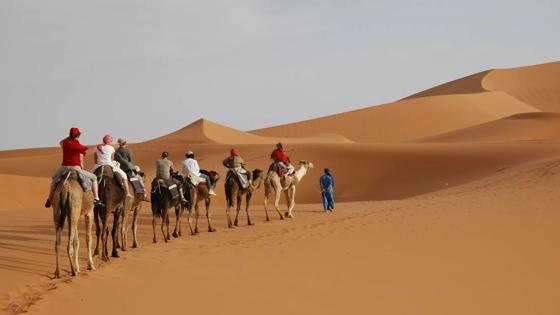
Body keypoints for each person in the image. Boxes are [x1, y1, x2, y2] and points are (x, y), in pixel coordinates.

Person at [45, 127, 103, 208]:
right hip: (75, 167)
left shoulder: (65, 142)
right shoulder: (77, 144)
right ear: (78, 135)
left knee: (54, 179)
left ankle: (50, 199)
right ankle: (96, 198)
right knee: (94, 178)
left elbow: (60, 142)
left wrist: (69, 137)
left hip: (64, 167)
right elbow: (84, 149)